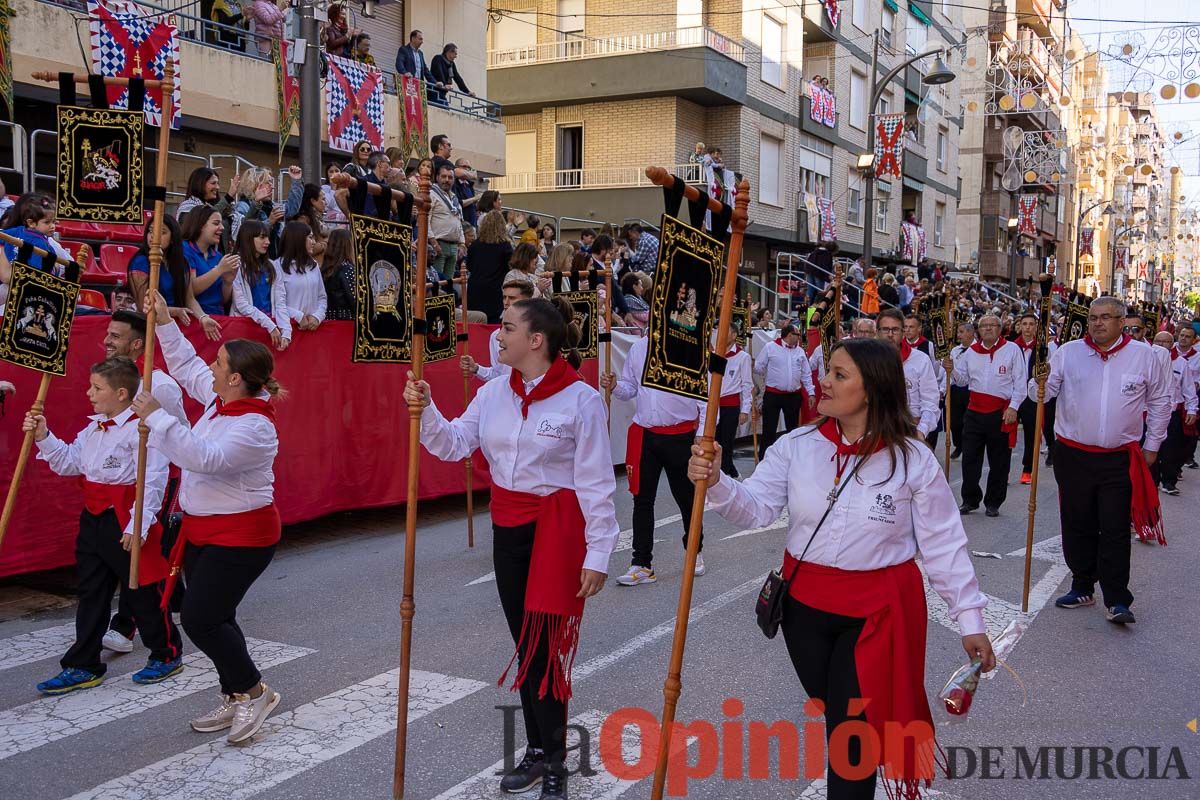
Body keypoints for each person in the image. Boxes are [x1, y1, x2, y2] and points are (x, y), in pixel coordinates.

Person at [687, 338, 994, 800]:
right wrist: (716, 482)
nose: (824, 382)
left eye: (839, 374)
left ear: (871, 389)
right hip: (803, 611)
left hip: (878, 614)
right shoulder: (796, 445)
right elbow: (757, 509)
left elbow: (944, 544)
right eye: (827, 371)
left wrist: (969, 619)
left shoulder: (913, 460)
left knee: (851, 731)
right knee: (841, 719)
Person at [406, 297, 616, 799]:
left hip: (557, 534)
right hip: (509, 529)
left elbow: (595, 483)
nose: (496, 337)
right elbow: (455, 443)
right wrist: (426, 407)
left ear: (536, 340)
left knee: (544, 651)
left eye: (506, 328)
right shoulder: (494, 393)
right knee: (527, 647)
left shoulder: (581, 400)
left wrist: (598, 552)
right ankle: (540, 750)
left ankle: (557, 762)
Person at [133, 291, 284, 743]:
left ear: (236, 378)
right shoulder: (222, 401)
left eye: (219, 363)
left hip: (243, 536)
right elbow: (186, 365)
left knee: (201, 618)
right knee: (218, 616)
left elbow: (205, 458)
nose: (211, 367)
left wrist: (158, 420)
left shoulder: (256, 427)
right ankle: (236, 693)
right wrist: (162, 322)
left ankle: (255, 691)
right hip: (203, 531)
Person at [27, 357, 184, 694]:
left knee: (142, 590)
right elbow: (70, 462)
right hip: (94, 517)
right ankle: (83, 663)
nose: (89, 393)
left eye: (97, 388)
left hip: (126, 515)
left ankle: (166, 652)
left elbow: (153, 479)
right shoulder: (93, 426)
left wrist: (137, 525)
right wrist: (43, 435)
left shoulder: (142, 430)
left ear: (122, 392)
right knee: (91, 593)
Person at [1039, 296, 1170, 624]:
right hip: (1073, 454)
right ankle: (1082, 585)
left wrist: (1153, 444)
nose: (1097, 323)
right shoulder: (1068, 352)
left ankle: (1117, 598)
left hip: (1118, 457)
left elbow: (1160, 400)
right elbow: (1041, 394)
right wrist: (1038, 379)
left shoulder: (1144, 356)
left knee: (1113, 527)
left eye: (1106, 317)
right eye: (1094, 317)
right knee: (1077, 521)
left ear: (1121, 321)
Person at [98, 312, 189, 653]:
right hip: (121, 479)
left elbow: (180, 433)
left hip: (159, 475)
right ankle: (174, 595)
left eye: (115, 336)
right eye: (107, 334)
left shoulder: (160, 385)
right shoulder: (107, 378)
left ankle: (126, 625)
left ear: (137, 344)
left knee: (141, 544)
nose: (107, 341)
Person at [600, 337, 707, 585]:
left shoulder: (690, 345)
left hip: (680, 435)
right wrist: (615, 386)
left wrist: (703, 433)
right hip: (646, 434)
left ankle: (694, 552)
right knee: (642, 500)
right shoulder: (638, 348)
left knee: (687, 499)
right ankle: (641, 563)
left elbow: (705, 395)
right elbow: (630, 388)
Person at [952, 315, 1025, 517]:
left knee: (999, 460)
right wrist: (950, 369)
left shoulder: (1011, 350)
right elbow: (961, 380)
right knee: (970, 458)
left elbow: (1020, 382)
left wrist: (1014, 407)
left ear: (1000, 329)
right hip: (974, 411)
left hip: (1000, 412)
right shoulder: (971, 353)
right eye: (984, 326)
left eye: (992, 325)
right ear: (978, 330)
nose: (988, 329)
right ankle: (970, 499)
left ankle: (994, 502)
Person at [127, 215, 222, 341]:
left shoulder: (182, 262)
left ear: (173, 237)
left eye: (162, 232)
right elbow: (143, 307)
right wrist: (175, 311)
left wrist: (203, 317)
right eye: (150, 231)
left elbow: (190, 299)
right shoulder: (140, 262)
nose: (153, 236)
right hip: (149, 328)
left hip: (175, 327)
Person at [754, 324, 817, 460]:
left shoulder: (800, 351)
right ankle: (764, 459)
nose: (799, 337)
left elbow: (806, 374)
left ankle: (791, 459)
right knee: (769, 430)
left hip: (793, 396)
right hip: (773, 394)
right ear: (789, 335)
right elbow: (758, 367)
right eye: (797, 335)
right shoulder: (770, 347)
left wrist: (811, 393)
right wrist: (764, 372)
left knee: (792, 430)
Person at [877, 309, 939, 440]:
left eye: (895, 330)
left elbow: (930, 401)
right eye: (885, 329)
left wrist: (922, 430)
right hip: (876, 431)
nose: (890, 334)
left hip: (911, 431)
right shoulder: (866, 360)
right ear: (877, 332)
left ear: (902, 332)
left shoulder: (921, 359)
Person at [230, 220, 290, 350]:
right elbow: (241, 305)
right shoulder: (235, 265)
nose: (267, 242)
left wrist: (286, 331)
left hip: (270, 331)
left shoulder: (273, 266)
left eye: (268, 237)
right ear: (248, 238)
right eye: (262, 237)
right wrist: (270, 325)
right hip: (245, 331)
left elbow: (280, 302)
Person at [1150, 330, 1197, 495]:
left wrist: (1192, 409)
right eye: (1158, 341)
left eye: (1166, 342)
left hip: (1172, 414)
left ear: (1172, 344)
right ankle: (1151, 481)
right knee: (1151, 448)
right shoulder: (1144, 361)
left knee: (1171, 449)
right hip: (1149, 414)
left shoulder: (1181, 363)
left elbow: (1189, 389)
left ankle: (1169, 481)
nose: (1161, 345)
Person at [1013, 313, 1057, 483]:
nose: (1028, 327)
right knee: (1006, 432)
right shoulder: (1012, 346)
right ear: (1020, 326)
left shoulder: (1043, 348)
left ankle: (1027, 468)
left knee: (1031, 433)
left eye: (1032, 324)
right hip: (1014, 394)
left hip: (1031, 395)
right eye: (1025, 324)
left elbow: (1050, 370)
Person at [462, 280, 534, 383]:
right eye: (504, 297)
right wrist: (476, 368)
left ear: (527, 300)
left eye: (512, 298)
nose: (506, 302)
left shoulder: (538, 333)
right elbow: (498, 375)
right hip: (509, 395)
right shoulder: (496, 336)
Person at [181, 205, 237, 317]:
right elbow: (190, 290)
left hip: (218, 317)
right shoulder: (184, 249)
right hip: (194, 318)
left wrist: (228, 282)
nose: (222, 227)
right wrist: (218, 270)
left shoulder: (218, 256)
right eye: (216, 223)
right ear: (200, 225)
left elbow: (223, 300)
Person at [711, 330, 751, 478]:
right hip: (713, 405)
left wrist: (745, 409)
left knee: (727, 444)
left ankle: (726, 476)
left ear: (734, 335)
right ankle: (730, 473)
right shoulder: (714, 353)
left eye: (725, 331)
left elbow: (747, 384)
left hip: (730, 405)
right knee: (714, 442)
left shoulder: (742, 357)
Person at [275, 221, 327, 332]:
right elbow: (275, 303)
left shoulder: (313, 265)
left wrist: (317, 316)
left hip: (312, 331)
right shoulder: (277, 266)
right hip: (287, 331)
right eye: (310, 237)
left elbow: (322, 297)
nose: (314, 242)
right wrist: (298, 316)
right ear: (297, 240)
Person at [466, 210, 514, 323]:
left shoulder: (475, 245)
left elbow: (469, 266)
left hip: (475, 290)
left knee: (476, 324)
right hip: (495, 291)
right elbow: (510, 267)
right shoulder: (505, 246)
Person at [429, 163, 466, 279]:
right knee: (437, 283)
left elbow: (459, 222)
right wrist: (433, 242)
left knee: (449, 284)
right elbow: (425, 220)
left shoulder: (454, 198)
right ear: (437, 178)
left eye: (450, 177)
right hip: (439, 244)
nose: (447, 180)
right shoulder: (431, 194)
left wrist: (462, 243)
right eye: (443, 176)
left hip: (454, 246)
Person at [1173, 326, 1200, 469]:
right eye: (1182, 335)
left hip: (1191, 398)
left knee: (1189, 434)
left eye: (1187, 336)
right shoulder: (1168, 352)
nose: (1183, 338)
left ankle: (1187, 456)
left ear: (1194, 340)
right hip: (1173, 401)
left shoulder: (1198, 357)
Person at [948, 321, 975, 459]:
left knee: (968, 421)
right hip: (956, 389)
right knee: (954, 422)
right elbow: (948, 372)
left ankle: (968, 447)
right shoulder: (955, 350)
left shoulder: (977, 349)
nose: (959, 335)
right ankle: (958, 444)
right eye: (958, 332)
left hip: (971, 389)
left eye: (962, 332)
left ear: (971, 333)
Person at [321, 227, 356, 320]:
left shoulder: (325, 268)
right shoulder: (348, 269)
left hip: (328, 320)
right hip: (347, 322)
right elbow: (355, 301)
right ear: (348, 245)